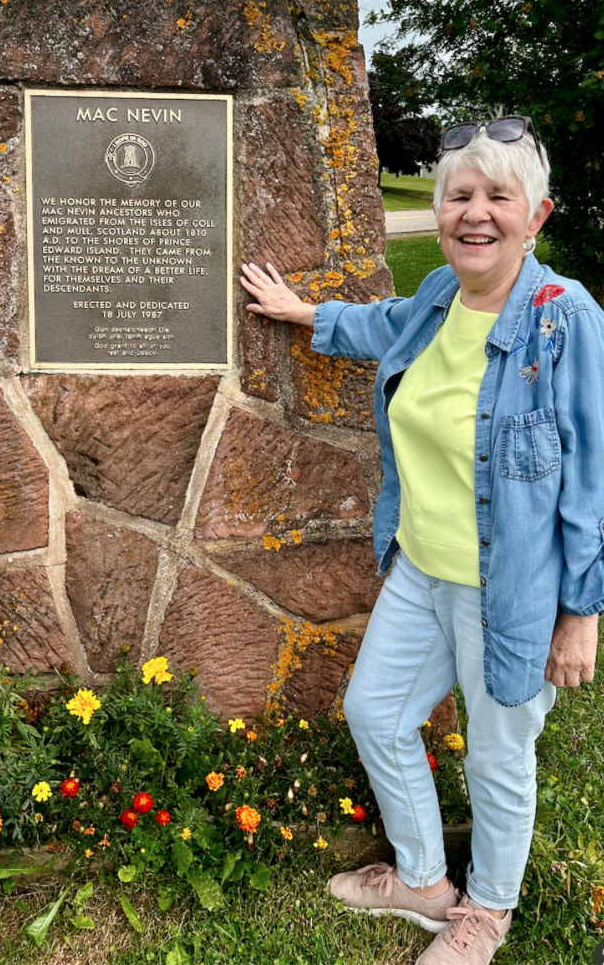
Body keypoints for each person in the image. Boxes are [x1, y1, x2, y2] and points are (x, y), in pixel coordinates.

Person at [240, 117, 604, 965]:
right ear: (439, 211)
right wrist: (305, 313)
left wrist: (580, 611)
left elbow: (592, 474)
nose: (474, 214)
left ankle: (486, 913)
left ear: (536, 215)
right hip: (417, 568)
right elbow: (383, 322)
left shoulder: (563, 319)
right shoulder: (437, 299)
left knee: (497, 757)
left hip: (508, 587)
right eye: (458, 196)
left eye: (497, 197)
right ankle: (423, 882)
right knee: (375, 712)